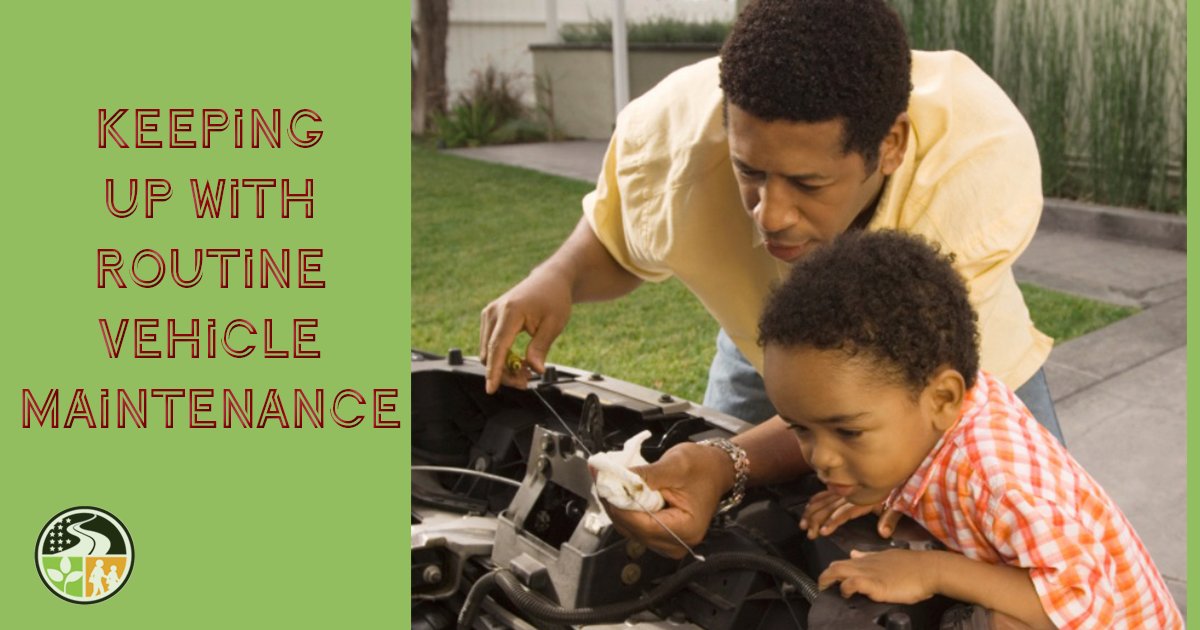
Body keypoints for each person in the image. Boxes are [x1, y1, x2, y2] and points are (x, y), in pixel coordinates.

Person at [478, 0, 1063, 443]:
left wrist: (730, 462)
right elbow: (618, 237)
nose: (771, 215)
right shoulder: (675, 139)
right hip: (765, 344)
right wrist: (557, 277)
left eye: (809, 184)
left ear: (890, 145)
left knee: (1038, 560)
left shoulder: (972, 169)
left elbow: (868, 405)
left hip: (952, 371)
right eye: (749, 171)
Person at [632, 231, 1181, 628]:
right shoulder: (934, 412)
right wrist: (880, 490)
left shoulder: (996, 477)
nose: (820, 460)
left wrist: (929, 571)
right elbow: (924, 459)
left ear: (941, 396)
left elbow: (1077, 601)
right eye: (802, 429)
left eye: (848, 433)